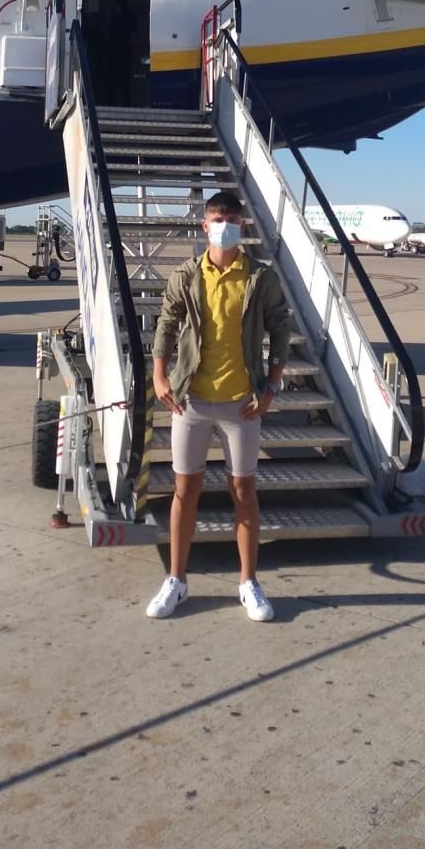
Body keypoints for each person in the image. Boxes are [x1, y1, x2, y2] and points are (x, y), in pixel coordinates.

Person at [148, 191, 291, 621]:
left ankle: (249, 582)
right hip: (191, 401)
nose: (224, 226)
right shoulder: (187, 275)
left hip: (241, 403)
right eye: (217, 219)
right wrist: (159, 374)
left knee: (243, 491)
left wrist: (272, 384)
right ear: (204, 225)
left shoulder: (260, 278)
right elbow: (167, 322)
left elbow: (280, 328)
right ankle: (177, 580)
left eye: (231, 219)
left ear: (242, 225)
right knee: (185, 490)